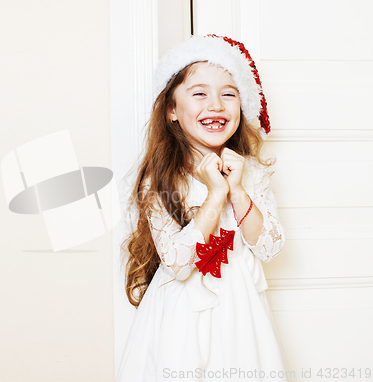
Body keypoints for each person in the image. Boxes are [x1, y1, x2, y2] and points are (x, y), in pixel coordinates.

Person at [117, 35, 287, 382]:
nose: (217, 105)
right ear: (172, 110)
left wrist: (237, 190)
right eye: (199, 93)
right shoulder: (162, 177)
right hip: (181, 315)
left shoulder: (249, 172)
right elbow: (178, 265)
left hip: (241, 313)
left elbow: (269, 248)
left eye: (229, 93)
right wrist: (214, 194)